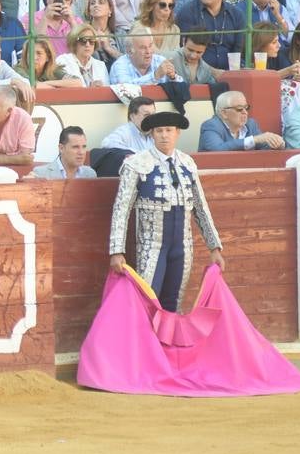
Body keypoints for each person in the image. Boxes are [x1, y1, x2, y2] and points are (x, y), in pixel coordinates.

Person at [108, 110, 224, 312]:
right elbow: (121, 209)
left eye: (169, 130)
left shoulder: (188, 163)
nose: (164, 135)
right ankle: (146, 343)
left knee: (174, 301)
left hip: (183, 246)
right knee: (148, 299)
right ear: (152, 134)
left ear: (177, 133)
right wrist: (116, 250)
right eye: (159, 131)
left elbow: (201, 208)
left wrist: (215, 248)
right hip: (151, 246)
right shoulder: (136, 164)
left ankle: (167, 343)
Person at [199, 90, 286, 151]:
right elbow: (218, 149)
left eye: (246, 108)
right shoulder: (211, 125)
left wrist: (277, 144)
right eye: (239, 109)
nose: (245, 113)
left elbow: (263, 147)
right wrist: (254, 140)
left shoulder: (251, 124)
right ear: (224, 113)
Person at [30, 126, 97, 180]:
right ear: (61, 148)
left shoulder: (90, 174)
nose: (81, 152)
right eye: (75, 147)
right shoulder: (41, 174)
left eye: (84, 147)